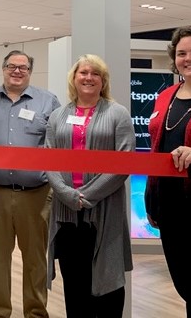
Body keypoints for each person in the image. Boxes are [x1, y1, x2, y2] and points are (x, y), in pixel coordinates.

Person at [45, 54, 135, 318]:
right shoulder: (58, 115)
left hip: (104, 212)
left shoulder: (118, 113)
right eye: (83, 72)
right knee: (74, 288)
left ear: (103, 80)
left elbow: (124, 161)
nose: (88, 77)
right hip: (66, 214)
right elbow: (48, 159)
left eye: (95, 73)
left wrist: (87, 196)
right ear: (74, 78)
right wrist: (68, 195)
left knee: (108, 286)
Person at [0, 49, 60, 318]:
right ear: (3, 68)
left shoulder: (48, 101)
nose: (17, 71)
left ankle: (35, 312)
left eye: (23, 67)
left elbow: (58, 144)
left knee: (35, 259)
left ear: (30, 71)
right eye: (12, 66)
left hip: (36, 194)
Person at [144, 24, 191, 317]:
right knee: (188, 287)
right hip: (171, 207)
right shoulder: (167, 96)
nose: (189, 58)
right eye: (182, 52)